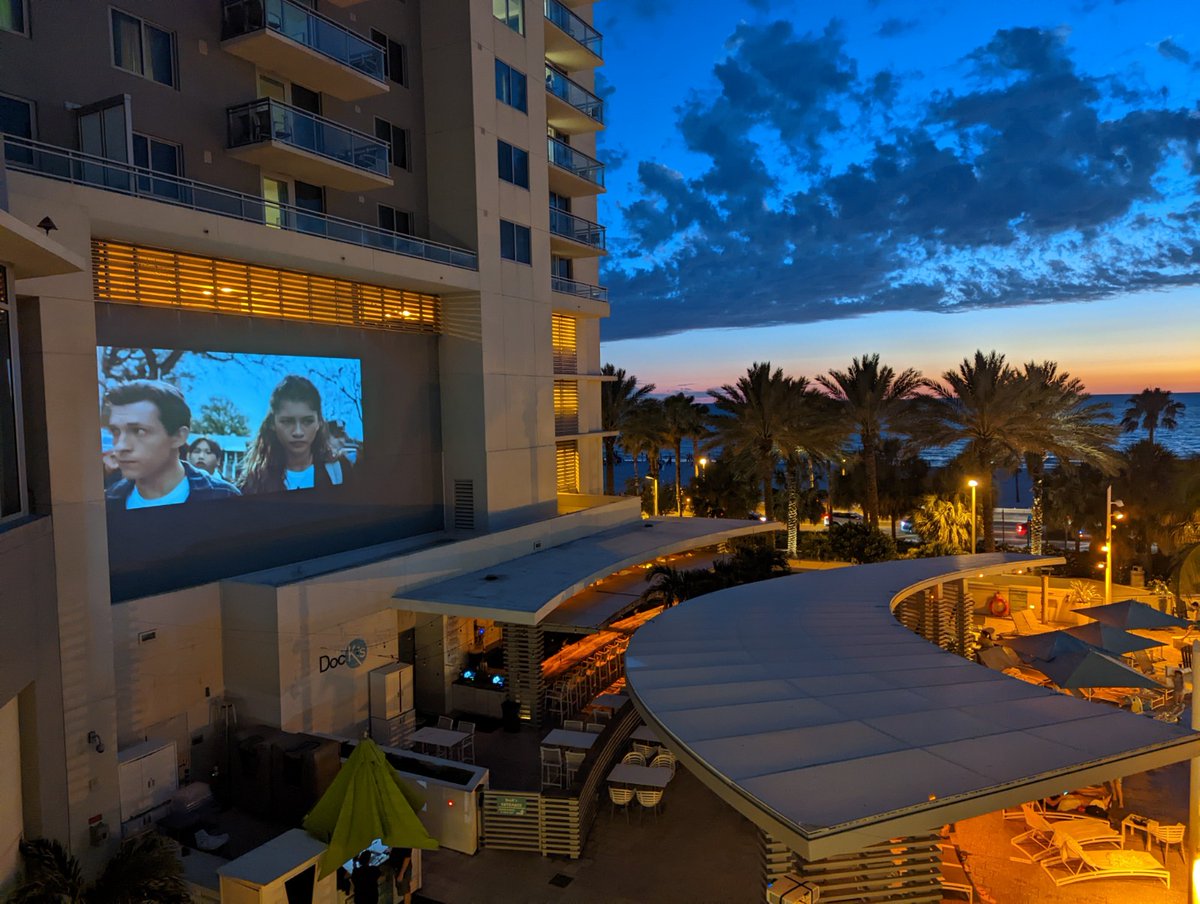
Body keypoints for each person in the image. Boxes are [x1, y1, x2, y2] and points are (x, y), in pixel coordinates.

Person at [103, 380, 240, 509]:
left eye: (139, 431)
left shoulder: (224, 496)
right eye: (116, 431)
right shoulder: (108, 501)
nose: (121, 446)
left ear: (178, 437)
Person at [239, 375, 354, 495]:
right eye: (287, 421)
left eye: (307, 421)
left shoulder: (339, 470)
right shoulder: (254, 480)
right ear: (273, 423)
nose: (298, 432)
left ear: (319, 422)